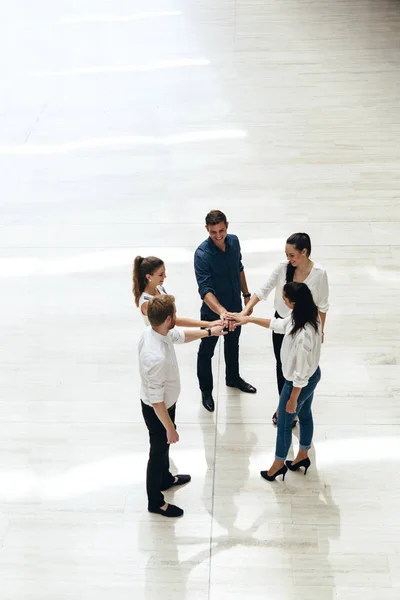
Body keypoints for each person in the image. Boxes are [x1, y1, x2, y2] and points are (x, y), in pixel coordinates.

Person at [139, 294, 226, 518]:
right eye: (175, 314)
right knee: (157, 452)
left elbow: (181, 336)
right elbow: (156, 401)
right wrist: (170, 428)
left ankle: (166, 479)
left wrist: (209, 331)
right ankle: (155, 502)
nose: (177, 317)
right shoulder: (154, 356)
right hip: (158, 410)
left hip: (167, 403)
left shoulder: (157, 331)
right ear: (168, 319)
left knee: (163, 451)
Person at [228, 282, 322, 481]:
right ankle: (303, 455)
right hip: (311, 376)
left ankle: (278, 464)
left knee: (284, 423)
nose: (282, 300)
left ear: (293, 303)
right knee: (305, 415)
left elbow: (301, 373)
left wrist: (292, 398)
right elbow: (278, 325)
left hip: (299, 382)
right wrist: (248, 319)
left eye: (284, 298)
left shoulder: (304, 333)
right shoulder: (306, 314)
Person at [242, 233, 328, 425]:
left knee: (302, 368)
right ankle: (284, 404)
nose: (288, 259)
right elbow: (263, 289)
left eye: (292, 255)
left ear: (304, 252)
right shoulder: (283, 268)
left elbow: (322, 306)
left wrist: (320, 332)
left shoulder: (319, 274)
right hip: (282, 323)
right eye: (287, 254)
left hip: (305, 325)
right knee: (283, 366)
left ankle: (297, 404)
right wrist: (246, 311)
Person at [194, 209, 257, 412]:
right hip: (213, 314)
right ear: (207, 229)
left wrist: (246, 295)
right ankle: (206, 391)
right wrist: (221, 312)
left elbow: (239, 267)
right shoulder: (202, 254)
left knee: (233, 344)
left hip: (235, 308)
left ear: (227, 225)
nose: (218, 235)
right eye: (213, 232)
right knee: (206, 352)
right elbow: (205, 290)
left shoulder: (234, 241)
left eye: (221, 230)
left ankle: (233, 378)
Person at [133, 255, 221, 328]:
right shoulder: (147, 303)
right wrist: (209, 324)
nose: (165, 276)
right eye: (161, 275)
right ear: (149, 277)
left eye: (164, 273)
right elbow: (174, 321)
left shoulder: (159, 288)